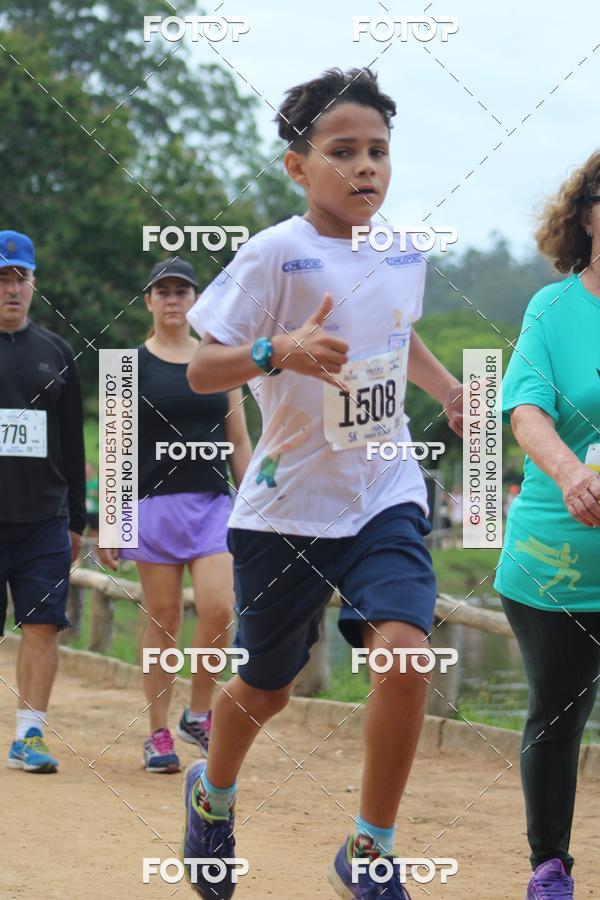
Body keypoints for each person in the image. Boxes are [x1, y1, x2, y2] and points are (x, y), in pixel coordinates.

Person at [182, 68, 464, 899]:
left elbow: (398, 336)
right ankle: (214, 791)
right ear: (298, 166)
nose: (366, 167)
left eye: (379, 151)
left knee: (407, 656)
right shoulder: (274, 254)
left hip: (384, 489)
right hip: (286, 506)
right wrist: (278, 352)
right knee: (265, 686)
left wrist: (445, 389)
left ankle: (370, 849)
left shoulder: (405, 250)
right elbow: (202, 369)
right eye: (343, 152)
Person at [494, 150, 600, 900]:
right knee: (558, 716)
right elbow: (524, 408)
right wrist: (572, 475)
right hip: (555, 557)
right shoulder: (552, 310)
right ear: (589, 214)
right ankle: (549, 866)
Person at [99, 259, 252, 773]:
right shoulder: (125, 367)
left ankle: (198, 712)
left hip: (212, 506)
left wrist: (254, 503)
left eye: (181, 291)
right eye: (161, 291)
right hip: (151, 509)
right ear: (148, 301)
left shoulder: (220, 360)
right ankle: (158, 732)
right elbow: (114, 445)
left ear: (195, 300)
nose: (171, 300)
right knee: (162, 619)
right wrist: (109, 522)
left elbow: (239, 440)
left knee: (219, 609)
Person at [0, 230, 85, 774]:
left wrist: (79, 520)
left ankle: (29, 736)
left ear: (35, 284)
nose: (12, 288)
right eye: (2, 278)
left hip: (44, 522)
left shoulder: (56, 351)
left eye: (20, 278)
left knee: (43, 625)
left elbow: (74, 441)